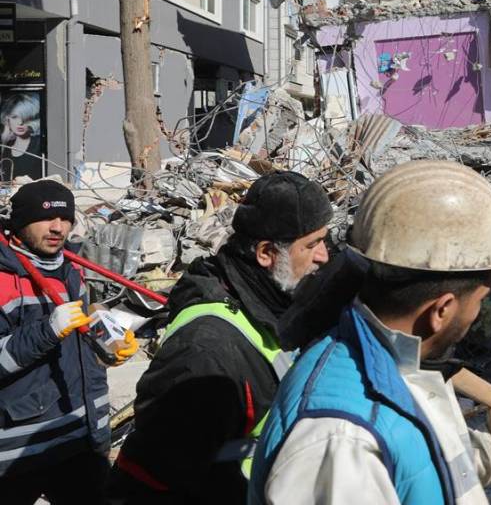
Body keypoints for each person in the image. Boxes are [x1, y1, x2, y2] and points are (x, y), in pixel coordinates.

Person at [250, 160, 491, 505]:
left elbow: (413, 472)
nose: (477, 312)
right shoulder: (342, 438)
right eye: (480, 300)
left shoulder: (399, 367)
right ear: (441, 310)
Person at [108, 171, 333, 504]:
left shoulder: (274, 304)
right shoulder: (205, 353)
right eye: (312, 245)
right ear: (266, 253)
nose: (324, 255)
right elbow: (151, 481)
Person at [0, 179, 138, 505]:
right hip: (18, 450)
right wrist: (46, 331)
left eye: (65, 219)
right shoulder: (4, 279)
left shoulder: (71, 266)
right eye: (45, 217)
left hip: (81, 434)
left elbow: (80, 331)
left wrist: (108, 343)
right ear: (20, 222)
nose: (57, 227)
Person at [0, 92, 43, 182]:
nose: (20, 123)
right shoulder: (5, 147)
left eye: (25, 117)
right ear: (7, 119)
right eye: (14, 117)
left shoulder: (39, 144)